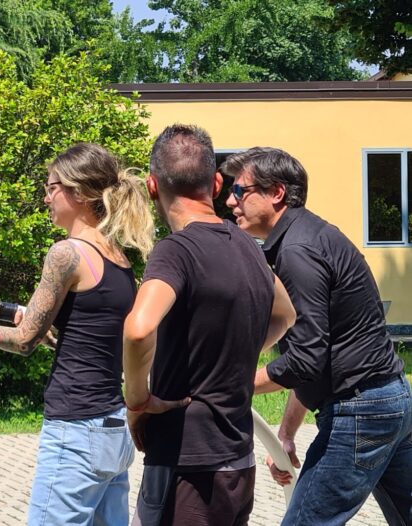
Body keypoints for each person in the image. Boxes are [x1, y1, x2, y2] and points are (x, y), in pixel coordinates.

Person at [0, 143, 155, 525]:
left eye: (52, 187)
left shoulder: (66, 253)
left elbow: (22, 342)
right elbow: (94, 333)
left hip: (75, 432)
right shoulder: (118, 257)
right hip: (110, 428)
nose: (46, 196)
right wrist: (55, 334)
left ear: (79, 193)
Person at [222, 146, 412, 526]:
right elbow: (317, 355)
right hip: (390, 401)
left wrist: (227, 385)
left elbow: (304, 361)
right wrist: (287, 433)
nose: (230, 201)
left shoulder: (298, 251)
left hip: (360, 410)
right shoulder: (309, 236)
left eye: (241, 191)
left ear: (276, 192)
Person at [123, 125, 296, 526]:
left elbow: (138, 329)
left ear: (152, 187)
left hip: (185, 462)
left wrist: (137, 401)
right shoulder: (249, 249)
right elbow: (286, 314)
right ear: (217, 183)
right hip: (237, 461)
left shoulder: (175, 252)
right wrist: (235, 356)